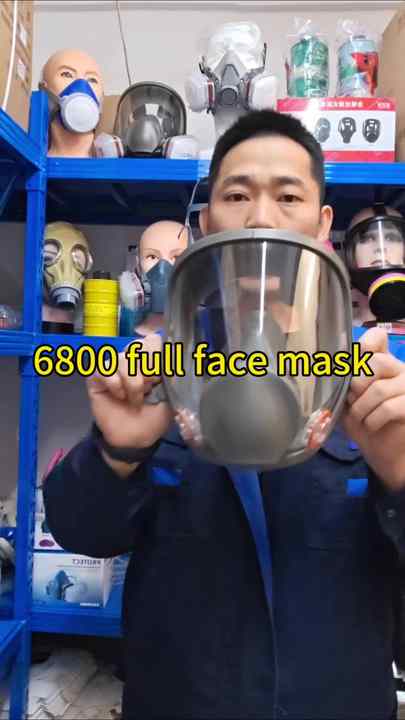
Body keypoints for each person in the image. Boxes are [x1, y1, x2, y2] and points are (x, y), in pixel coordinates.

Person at [43, 109, 405, 720]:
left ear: (322, 225)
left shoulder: (373, 387)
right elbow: (83, 535)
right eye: (237, 195)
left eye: (287, 196)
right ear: (207, 222)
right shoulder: (161, 373)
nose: (261, 217)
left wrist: (399, 478)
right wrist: (118, 451)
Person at [119, 220, 188, 338]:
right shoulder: (124, 323)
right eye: (152, 256)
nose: (161, 270)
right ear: (138, 265)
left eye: (176, 256)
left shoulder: (205, 329)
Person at [345, 204, 405, 329]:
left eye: (391, 238)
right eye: (366, 239)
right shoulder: (338, 333)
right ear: (350, 253)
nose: (380, 248)